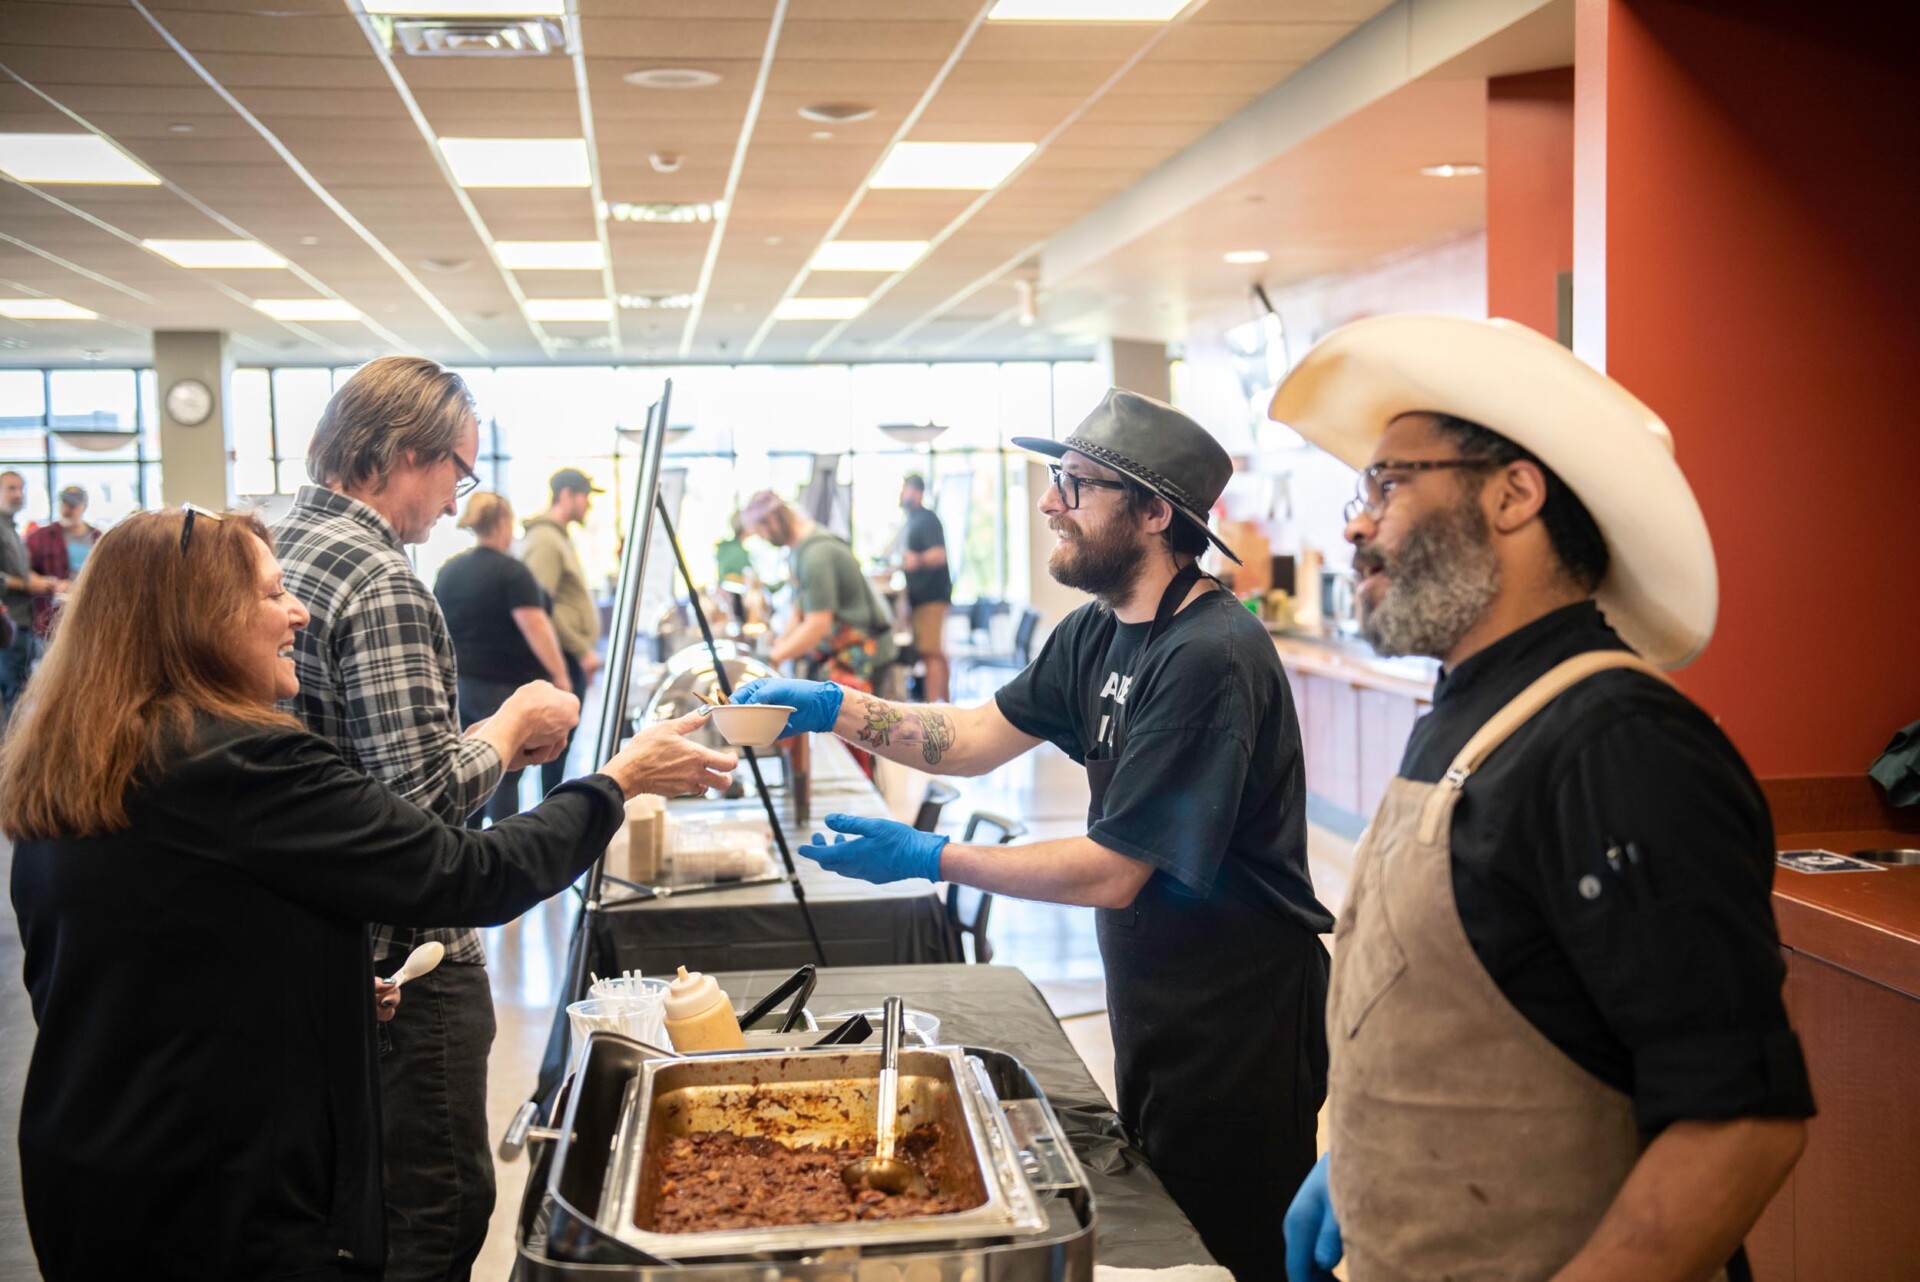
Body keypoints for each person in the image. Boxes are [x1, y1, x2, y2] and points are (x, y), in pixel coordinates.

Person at [2, 506, 734, 1282]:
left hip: (91, 1166)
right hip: (220, 1192)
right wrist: (616, 781)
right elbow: (465, 873)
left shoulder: (81, 757)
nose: (300, 612)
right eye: (274, 593)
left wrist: (324, 988)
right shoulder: (244, 761)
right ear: (199, 619)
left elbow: (162, 954)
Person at [733, 390, 1331, 1279]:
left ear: (1156, 511)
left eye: (1075, 485)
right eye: (1056, 480)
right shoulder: (1098, 630)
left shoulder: (1209, 657)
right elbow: (973, 738)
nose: (1051, 502)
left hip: (1240, 1011)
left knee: (1233, 1251)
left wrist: (929, 856)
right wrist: (835, 710)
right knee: (1174, 1220)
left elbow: (1113, 871)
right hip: (1157, 989)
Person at [1267, 316, 1812, 1282]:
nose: (1356, 524)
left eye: (1389, 485)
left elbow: (1739, 1128)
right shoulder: (1475, 715)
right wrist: (1356, 1157)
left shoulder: (1619, 746)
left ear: (1514, 495)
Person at [273, 356, 581, 1282]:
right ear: (405, 453)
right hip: (410, 961)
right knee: (434, 1215)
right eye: (459, 469)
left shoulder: (271, 545)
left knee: (354, 1208)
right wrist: (511, 727)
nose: (456, 500)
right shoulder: (383, 578)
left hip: (311, 946)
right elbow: (414, 819)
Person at [436, 492, 574, 828]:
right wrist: (561, 677)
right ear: (503, 523)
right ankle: (503, 853)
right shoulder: (513, 573)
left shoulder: (449, 570)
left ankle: (467, 846)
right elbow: (536, 627)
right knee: (503, 770)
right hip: (503, 688)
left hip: (460, 685)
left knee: (470, 765)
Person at [740, 489, 898, 695]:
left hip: (865, 652)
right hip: (841, 649)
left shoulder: (816, 555)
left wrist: (774, 658)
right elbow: (799, 608)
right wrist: (781, 644)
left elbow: (818, 624)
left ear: (772, 521)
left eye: (761, 532)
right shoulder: (797, 551)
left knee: (868, 724)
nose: (764, 539)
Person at [522, 467, 605, 796]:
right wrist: (578, 650)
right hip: (564, 659)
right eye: (584, 496)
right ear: (566, 496)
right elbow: (538, 607)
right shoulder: (544, 540)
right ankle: (550, 821)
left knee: (562, 751)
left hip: (571, 656)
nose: (587, 504)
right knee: (555, 752)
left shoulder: (557, 537)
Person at [0, 470, 65, 726]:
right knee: (14, 698)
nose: (18, 494)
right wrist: (31, 585)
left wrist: (48, 584)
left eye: (21, 488)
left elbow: (18, 571)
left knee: (22, 695)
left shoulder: (11, 529)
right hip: (9, 625)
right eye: (11, 488)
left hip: (26, 622)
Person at [897, 473, 953, 702]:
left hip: (932, 596)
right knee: (934, 652)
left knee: (930, 653)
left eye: (906, 489)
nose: (902, 494)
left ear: (917, 492)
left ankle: (933, 710)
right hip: (921, 598)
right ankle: (947, 704)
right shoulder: (911, 520)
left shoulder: (927, 519)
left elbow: (939, 555)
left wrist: (916, 560)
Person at [26, 484, 102, 640]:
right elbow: (24, 572)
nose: (70, 509)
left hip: (91, 612)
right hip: (53, 616)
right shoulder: (40, 537)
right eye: (66, 503)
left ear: (84, 506)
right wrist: (53, 584)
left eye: (74, 504)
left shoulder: (98, 538)